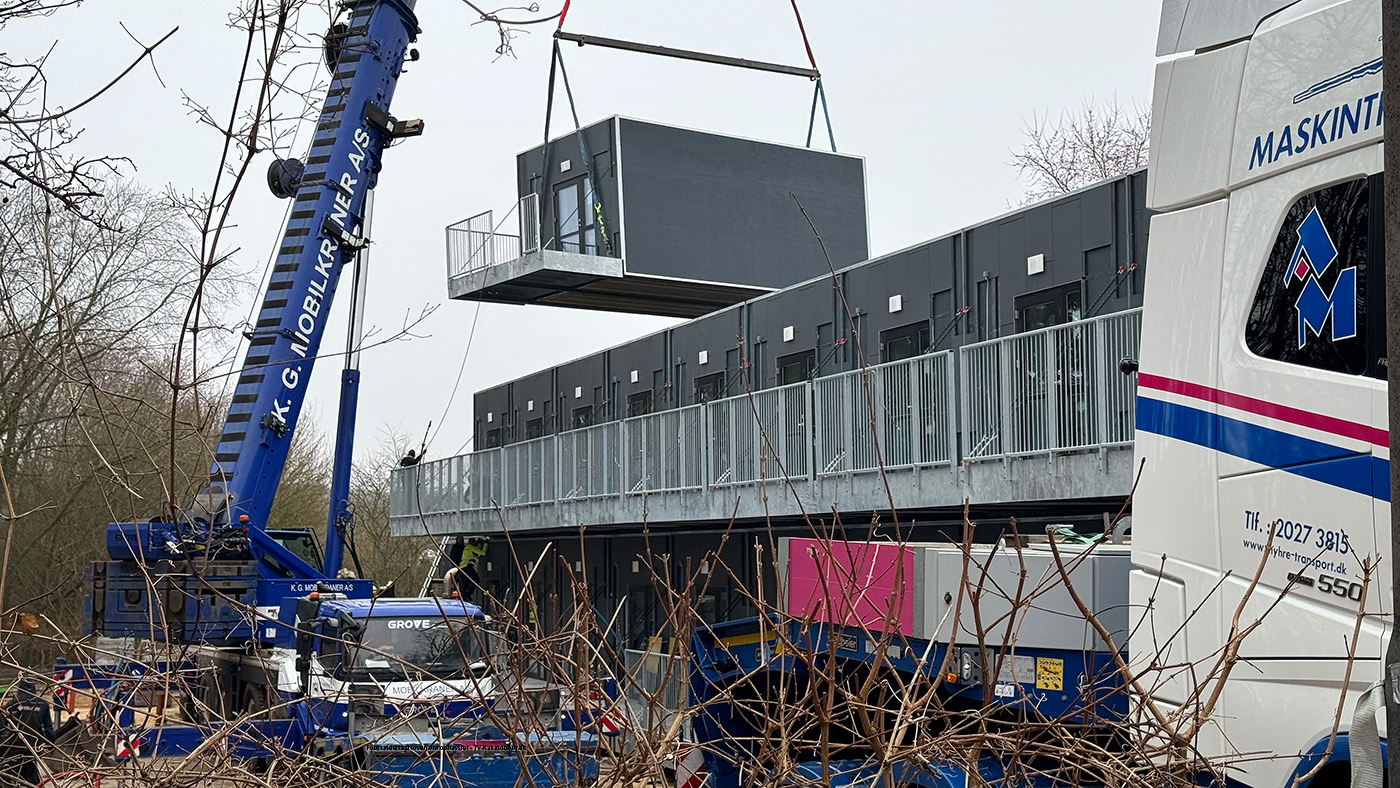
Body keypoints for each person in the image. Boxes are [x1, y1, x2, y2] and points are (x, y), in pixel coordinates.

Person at [0, 680, 53, 785]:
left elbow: (1, 726)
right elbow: (49, 729)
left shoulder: (12, 703)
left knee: (10, 776)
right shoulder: (43, 704)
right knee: (31, 776)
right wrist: (50, 745)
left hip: (13, 747)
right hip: (33, 747)